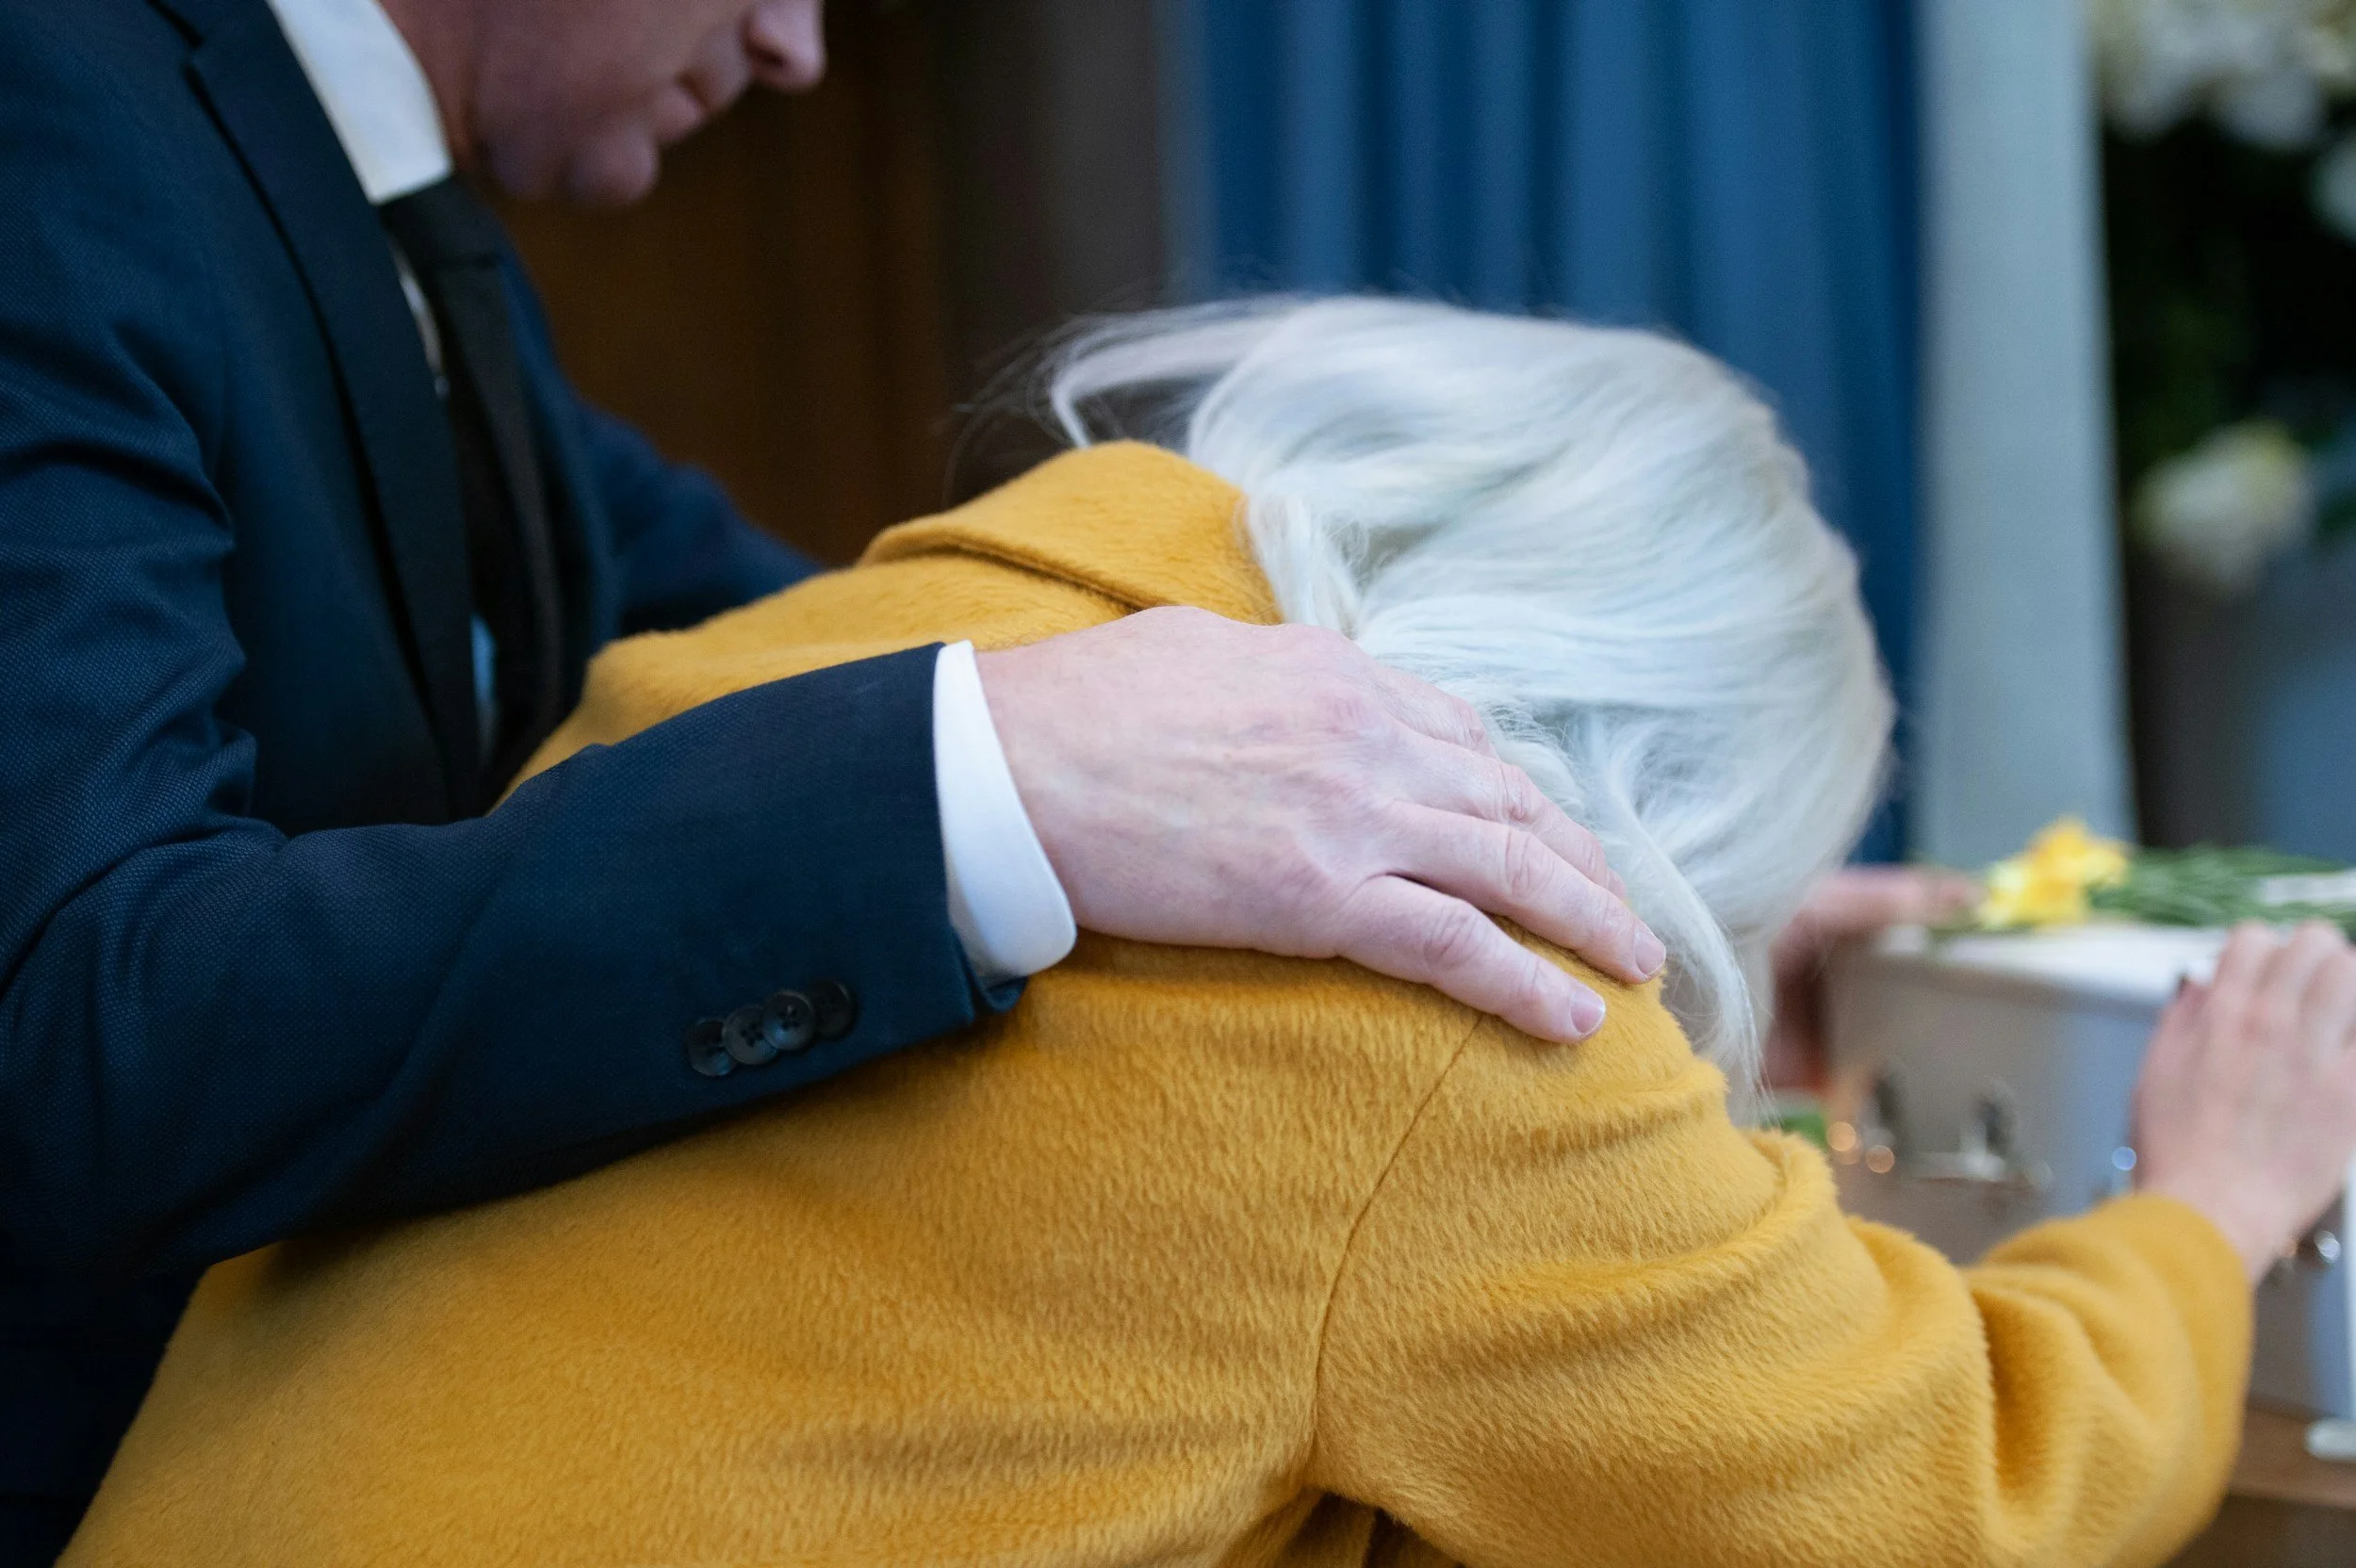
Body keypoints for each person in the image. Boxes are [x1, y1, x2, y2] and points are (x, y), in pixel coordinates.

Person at [65, 298, 2355, 1568]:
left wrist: (1724, 969)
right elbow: (1947, 1488)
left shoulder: (852, 671)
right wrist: (2205, 1207)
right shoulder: (1414, 1003)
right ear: (1631, 795)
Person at [0, 2, 1659, 1559]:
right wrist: (980, 779)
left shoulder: (403, 221)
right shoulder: (51, 114)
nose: (799, 45)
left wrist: (1608, 860)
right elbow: (82, 1027)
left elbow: (786, 611)